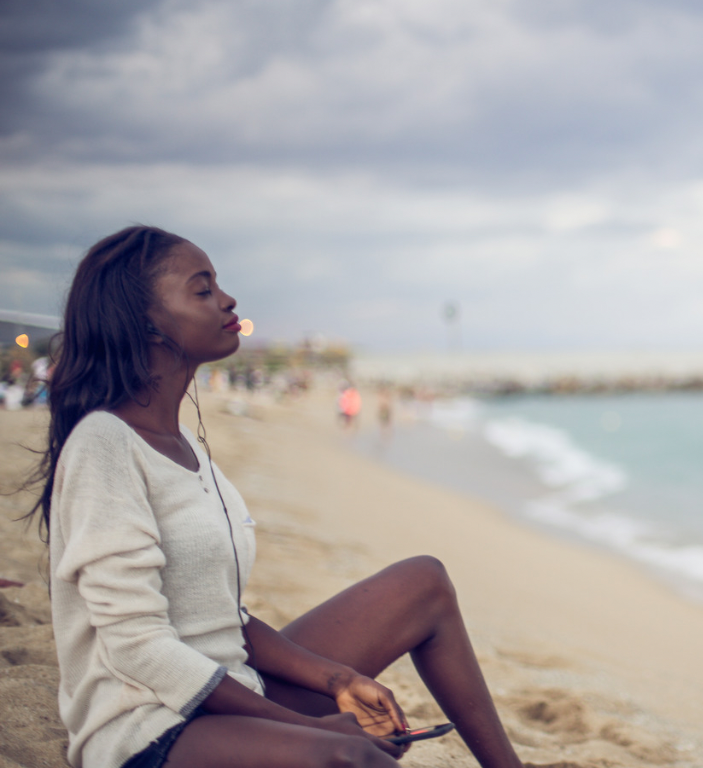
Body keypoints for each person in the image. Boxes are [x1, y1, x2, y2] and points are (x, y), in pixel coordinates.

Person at [23, 226, 526, 768]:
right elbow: (138, 648)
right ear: (146, 323)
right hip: (148, 727)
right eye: (202, 290)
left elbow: (220, 617)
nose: (228, 299)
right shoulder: (104, 445)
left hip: (229, 692)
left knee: (422, 581)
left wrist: (340, 680)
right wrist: (308, 726)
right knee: (352, 756)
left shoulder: (185, 443)